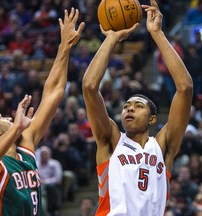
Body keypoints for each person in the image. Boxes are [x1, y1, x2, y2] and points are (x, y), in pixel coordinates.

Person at [0, 8, 85, 216]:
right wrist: (15, 130)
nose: (9, 117)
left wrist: (64, 46)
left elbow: (53, 93)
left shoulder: (24, 148)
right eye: (2, 117)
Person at [82, 0, 193, 215]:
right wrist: (112, 39)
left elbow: (185, 88)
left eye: (137, 106)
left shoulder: (162, 146)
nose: (129, 109)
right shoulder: (112, 141)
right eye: (126, 106)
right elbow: (89, 86)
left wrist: (157, 33)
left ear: (152, 119)